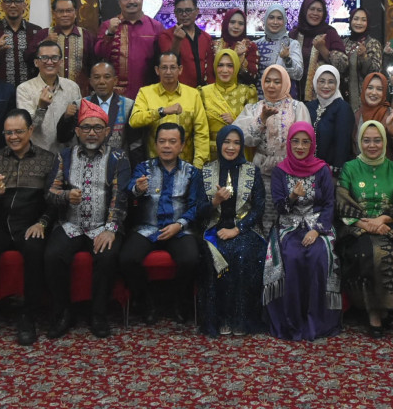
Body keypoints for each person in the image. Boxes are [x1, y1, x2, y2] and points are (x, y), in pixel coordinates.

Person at [0, 109, 56, 347]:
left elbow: (54, 200)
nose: (13, 137)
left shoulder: (48, 159)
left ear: (30, 131)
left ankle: (28, 317)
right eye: (9, 133)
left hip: (30, 223)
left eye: (18, 131)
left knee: (36, 251)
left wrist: (42, 223)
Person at [43, 100, 130, 339]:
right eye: (87, 127)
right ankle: (63, 313)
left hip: (103, 225)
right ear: (78, 131)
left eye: (97, 128)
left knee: (107, 256)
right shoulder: (64, 156)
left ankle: (98, 314)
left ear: (107, 131)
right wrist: (64, 196)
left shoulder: (118, 157)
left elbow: (120, 196)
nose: (92, 132)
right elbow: (50, 194)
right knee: (52, 256)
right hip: (70, 224)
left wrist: (111, 229)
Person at [263, 121, 341, 340]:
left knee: (318, 255)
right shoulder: (280, 171)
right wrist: (293, 196)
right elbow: (280, 207)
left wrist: (317, 230)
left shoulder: (322, 169)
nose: (300, 146)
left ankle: (317, 321)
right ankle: (291, 321)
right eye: (295, 141)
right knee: (292, 256)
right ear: (289, 143)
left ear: (312, 144)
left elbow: (328, 205)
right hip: (288, 224)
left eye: (305, 142)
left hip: (317, 224)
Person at [120, 122, 204, 324]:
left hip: (179, 228)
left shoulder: (192, 172)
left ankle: (178, 301)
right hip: (147, 228)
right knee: (126, 259)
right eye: (162, 141)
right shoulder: (143, 168)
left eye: (172, 142)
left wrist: (180, 225)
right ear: (156, 145)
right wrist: (138, 190)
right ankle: (146, 301)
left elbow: (197, 206)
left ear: (182, 145)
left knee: (191, 259)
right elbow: (129, 191)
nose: (167, 146)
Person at [337, 120, 393, 337]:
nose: (372, 145)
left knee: (389, 252)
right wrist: (365, 224)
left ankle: (384, 307)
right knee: (369, 252)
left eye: (377, 140)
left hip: (389, 227)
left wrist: (383, 219)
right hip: (356, 229)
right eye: (367, 140)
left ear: (384, 141)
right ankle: (375, 313)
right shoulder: (350, 168)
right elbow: (342, 202)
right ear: (360, 142)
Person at [198, 125, 267, 336]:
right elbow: (198, 210)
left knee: (241, 253)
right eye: (227, 142)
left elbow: (259, 208)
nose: (231, 147)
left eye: (236, 143)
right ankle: (222, 318)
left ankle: (242, 318)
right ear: (219, 144)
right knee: (214, 255)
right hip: (213, 229)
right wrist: (215, 201)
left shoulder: (251, 170)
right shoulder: (207, 170)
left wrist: (238, 229)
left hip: (245, 229)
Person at [234, 64, 311, 230]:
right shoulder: (254, 108)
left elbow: (305, 142)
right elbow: (246, 140)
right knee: (264, 216)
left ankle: (284, 251)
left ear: (285, 83)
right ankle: (266, 252)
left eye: (277, 81)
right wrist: (261, 119)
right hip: (262, 171)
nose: (271, 85)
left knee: (289, 217)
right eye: (267, 81)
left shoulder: (297, 107)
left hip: (291, 171)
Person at [129, 50, 210, 167]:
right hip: (154, 167)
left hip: (185, 167)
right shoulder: (145, 93)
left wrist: (197, 166)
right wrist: (161, 111)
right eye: (164, 67)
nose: (168, 72)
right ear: (157, 70)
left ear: (180, 69)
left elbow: (201, 133)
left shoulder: (193, 94)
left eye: (172, 67)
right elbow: (134, 121)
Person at [96, 0, 166, 100]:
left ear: (142, 0)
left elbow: (163, 59)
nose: (131, 1)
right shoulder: (109, 25)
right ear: (119, 2)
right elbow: (99, 54)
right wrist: (110, 34)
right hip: (116, 95)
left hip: (148, 93)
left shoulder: (155, 27)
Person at [16, 39, 82, 155]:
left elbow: (79, 124)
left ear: (61, 61)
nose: (50, 62)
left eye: (54, 58)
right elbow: (26, 130)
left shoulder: (72, 87)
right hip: (37, 157)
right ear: (36, 62)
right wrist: (41, 108)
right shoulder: (24, 89)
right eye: (44, 58)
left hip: (68, 155)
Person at [63, 60, 136, 159]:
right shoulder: (80, 105)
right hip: (86, 162)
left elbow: (134, 143)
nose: (101, 82)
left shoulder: (129, 105)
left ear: (115, 80)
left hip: (117, 164)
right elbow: (65, 138)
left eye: (107, 77)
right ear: (90, 81)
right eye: (97, 77)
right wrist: (66, 118)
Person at [27, 0, 96, 94]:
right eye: (60, 11)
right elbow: (28, 58)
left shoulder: (86, 36)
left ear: (75, 13)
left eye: (69, 11)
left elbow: (93, 65)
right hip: (48, 92)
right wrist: (44, 43)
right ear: (54, 14)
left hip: (79, 92)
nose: (65, 15)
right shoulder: (43, 34)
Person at [200, 49, 258, 161]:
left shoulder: (247, 93)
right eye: (220, 65)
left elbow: (254, 130)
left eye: (230, 66)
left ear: (236, 67)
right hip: (210, 155)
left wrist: (235, 122)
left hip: (238, 154)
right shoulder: (203, 93)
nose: (225, 70)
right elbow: (199, 130)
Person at [289, 0, 348, 102]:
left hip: (321, 99)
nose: (315, 13)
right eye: (312, 9)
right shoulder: (294, 34)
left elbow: (343, 65)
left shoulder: (329, 33)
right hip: (294, 97)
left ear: (324, 13)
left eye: (319, 10)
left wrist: (322, 49)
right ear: (304, 10)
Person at [306, 65, 356, 174]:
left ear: (337, 84)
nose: (326, 86)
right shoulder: (309, 106)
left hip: (330, 172)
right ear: (315, 82)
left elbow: (343, 143)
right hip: (309, 169)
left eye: (331, 82)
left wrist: (336, 170)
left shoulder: (342, 108)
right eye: (322, 81)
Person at [357, 71, 393, 168]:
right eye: (370, 88)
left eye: (379, 89)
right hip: (361, 172)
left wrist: (392, 128)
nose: (374, 92)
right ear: (364, 89)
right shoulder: (357, 115)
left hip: (388, 174)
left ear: (385, 92)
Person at [158, 0, 213, 88]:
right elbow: (168, 63)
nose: (184, 14)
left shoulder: (206, 37)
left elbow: (210, 68)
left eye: (188, 10)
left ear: (196, 11)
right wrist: (177, 40)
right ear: (175, 13)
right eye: (180, 11)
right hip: (178, 91)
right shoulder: (166, 35)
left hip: (204, 91)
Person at [254, 2, 303, 98]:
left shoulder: (292, 44)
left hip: (283, 102)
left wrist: (287, 59)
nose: (275, 22)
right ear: (265, 19)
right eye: (271, 17)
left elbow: (298, 75)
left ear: (284, 21)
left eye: (279, 18)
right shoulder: (256, 44)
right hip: (258, 100)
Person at [343, 7, 383, 109]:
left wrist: (364, 57)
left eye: (363, 20)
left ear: (368, 23)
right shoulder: (343, 43)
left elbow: (375, 72)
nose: (359, 23)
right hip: (343, 96)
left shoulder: (373, 43)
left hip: (364, 99)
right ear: (350, 20)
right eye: (355, 19)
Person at [212, 8, 259, 86]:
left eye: (240, 23)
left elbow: (252, 77)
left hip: (242, 94)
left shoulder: (250, 46)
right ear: (226, 23)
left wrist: (241, 59)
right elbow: (209, 74)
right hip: (216, 93)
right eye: (232, 22)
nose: (236, 26)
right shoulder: (214, 45)